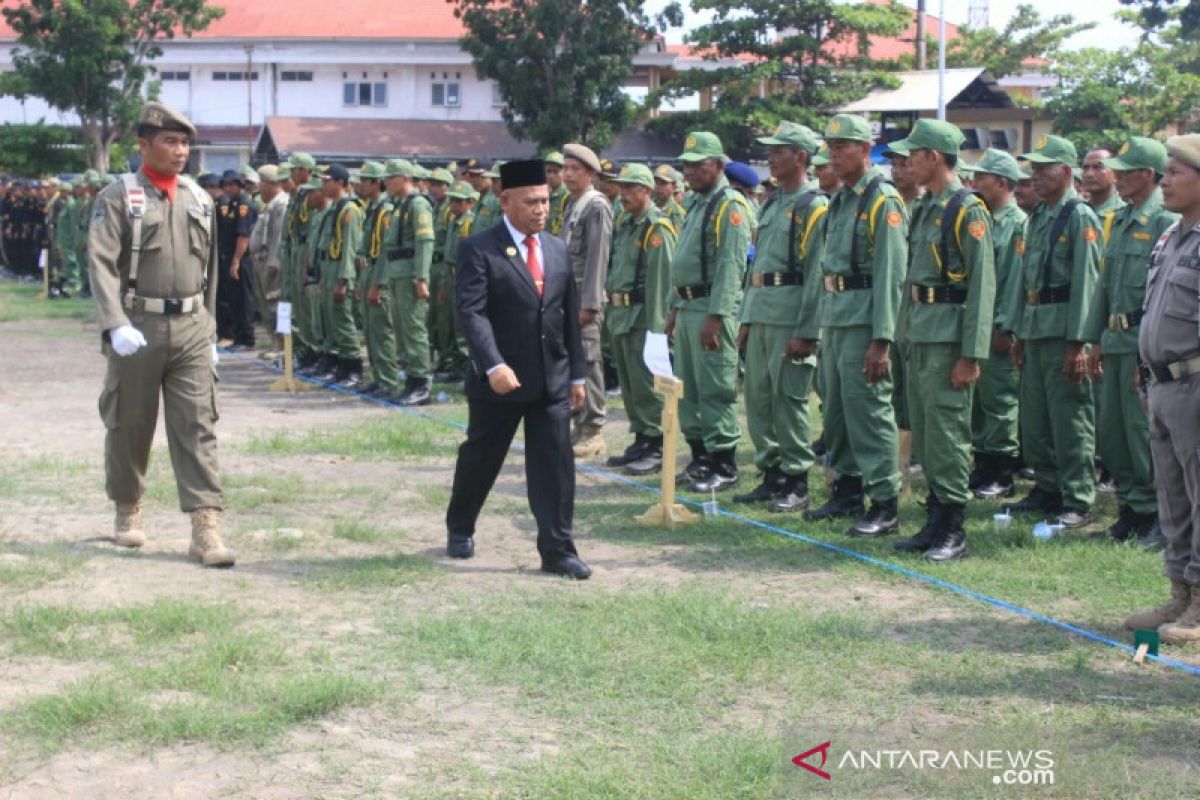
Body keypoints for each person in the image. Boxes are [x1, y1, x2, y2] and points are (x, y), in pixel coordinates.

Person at [87, 101, 234, 568]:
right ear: (144, 144)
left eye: (185, 142)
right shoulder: (118, 196)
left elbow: (208, 271)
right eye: (169, 141)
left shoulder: (199, 198)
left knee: (197, 425)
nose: (179, 151)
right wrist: (115, 324)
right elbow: (101, 264)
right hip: (139, 324)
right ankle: (128, 508)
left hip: (191, 325)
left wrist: (209, 331)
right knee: (130, 423)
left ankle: (205, 525)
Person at [444, 159, 591, 580]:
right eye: (531, 202)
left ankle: (558, 550)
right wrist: (493, 364)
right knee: (481, 457)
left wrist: (577, 376)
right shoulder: (479, 249)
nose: (541, 209)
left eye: (545, 200)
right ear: (505, 200)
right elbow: (472, 314)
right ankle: (460, 524)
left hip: (551, 380)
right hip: (500, 382)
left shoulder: (557, 249)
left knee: (555, 467)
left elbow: (568, 317)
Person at [888, 120, 995, 562]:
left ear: (935, 157)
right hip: (920, 334)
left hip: (949, 339)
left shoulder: (966, 210)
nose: (906, 161)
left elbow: (982, 286)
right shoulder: (926, 207)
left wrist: (972, 354)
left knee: (949, 434)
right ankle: (934, 518)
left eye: (914, 153)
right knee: (928, 433)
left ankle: (953, 526)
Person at [803, 114, 907, 537]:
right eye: (830, 147)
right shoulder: (841, 200)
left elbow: (889, 274)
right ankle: (846, 489)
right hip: (837, 319)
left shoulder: (883, 201)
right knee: (839, 412)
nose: (834, 155)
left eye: (843, 146)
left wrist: (882, 338)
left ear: (865, 150)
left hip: (865, 322)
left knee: (870, 412)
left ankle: (884, 501)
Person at [1124, 134, 1200, 644]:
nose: (1164, 180)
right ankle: (1180, 593)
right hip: (1163, 385)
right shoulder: (1172, 237)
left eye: (1175, 172)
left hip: (1196, 384)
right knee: (1172, 498)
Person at [1084, 137, 1178, 545]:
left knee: (1144, 433)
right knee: (1113, 432)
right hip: (1115, 338)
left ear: (1147, 175)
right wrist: (1095, 339)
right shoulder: (1121, 219)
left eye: (1124, 172)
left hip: (1143, 342)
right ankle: (1130, 510)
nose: (1116, 178)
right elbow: (1104, 284)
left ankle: (1159, 515)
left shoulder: (1163, 221)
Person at [1007, 135, 1102, 528]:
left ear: (1066, 171)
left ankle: (1078, 496)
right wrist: (1019, 333)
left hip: (1063, 332)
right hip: (1036, 328)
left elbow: (1087, 283)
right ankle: (1047, 486)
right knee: (1036, 417)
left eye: (1045, 170)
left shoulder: (1079, 216)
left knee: (1070, 417)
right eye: (1034, 171)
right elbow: (1025, 281)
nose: (1036, 178)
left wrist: (1078, 342)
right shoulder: (1038, 216)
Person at [733, 122, 827, 512]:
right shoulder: (772, 202)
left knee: (789, 399)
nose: (770, 157)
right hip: (762, 310)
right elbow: (757, 268)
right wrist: (747, 317)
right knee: (758, 399)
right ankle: (771, 473)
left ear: (800, 158)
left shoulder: (814, 205)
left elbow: (815, 274)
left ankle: (796, 478)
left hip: (790, 315)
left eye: (778, 151)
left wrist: (806, 331)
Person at [667, 131, 752, 492]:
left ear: (718, 165)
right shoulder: (696, 204)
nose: (690, 172)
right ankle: (700, 457)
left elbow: (731, 267)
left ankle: (724, 463)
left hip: (710, 308)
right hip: (688, 306)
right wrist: (674, 307)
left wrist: (717, 317)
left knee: (715, 386)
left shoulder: (729, 206)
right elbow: (684, 260)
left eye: (698, 165)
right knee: (688, 389)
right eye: (686, 166)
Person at [962, 149, 1028, 500]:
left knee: (999, 400)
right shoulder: (984, 219)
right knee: (978, 400)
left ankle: (1001, 472)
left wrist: (1006, 327)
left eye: (982, 177)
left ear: (1001, 182)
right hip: (978, 326)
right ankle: (983, 465)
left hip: (998, 328)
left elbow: (1014, 280)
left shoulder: (1016, 223)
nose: (974, 183)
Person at [603, 164, 677, 475]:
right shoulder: (626, 223)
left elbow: (661, 284)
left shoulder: (656, 228)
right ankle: (641, 438)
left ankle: (656, 444)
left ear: (645, 191)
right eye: (621, 189)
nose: (622, 195)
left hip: (643, 317)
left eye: (629, 189)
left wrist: (658, 331)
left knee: (648, 385)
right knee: (631, 384)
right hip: (621, 315)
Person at [559, 143, 614, 458]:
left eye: (575, 169)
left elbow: (597, 258)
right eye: (566, 168)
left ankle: (593, 429)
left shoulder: (596, 205)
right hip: (569, 297)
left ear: (591, 174)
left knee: (589, 362)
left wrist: (590, 304)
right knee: (573, 362)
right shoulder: (572, 204)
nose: (568, 175)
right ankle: (579, 423)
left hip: (584, 299)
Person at [215, 169, 257, 351]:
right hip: (230, 258)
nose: (228, 188)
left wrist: (236, 261)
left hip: (242, 259)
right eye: (225, 185)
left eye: (232, 185)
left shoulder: (243, 205)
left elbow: (243, 236)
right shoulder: (232, 203)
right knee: (233, 299)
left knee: (243, 300)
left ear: (239, 186)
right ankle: (238, 336)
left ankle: (247, 339)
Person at [249, 164, 288, 350]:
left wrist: (275, 261)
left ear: (272, 183)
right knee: (265, 305)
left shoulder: (281, 204)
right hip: (261, 261)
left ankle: (282, 346)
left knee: (276, 306)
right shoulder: (269, 205)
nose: (258, 187)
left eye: (262, 182)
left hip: (271, 265)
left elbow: (279, 237)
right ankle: (275, 342)